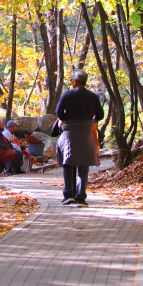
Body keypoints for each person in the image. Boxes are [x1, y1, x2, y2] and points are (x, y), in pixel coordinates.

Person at [54, 68, 103, 206]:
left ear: (74, 81)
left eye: (71, 80)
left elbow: (59, 112)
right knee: (83, 165)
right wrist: (91, 120)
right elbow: (100, 115)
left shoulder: (67, 94)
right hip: (86, 132)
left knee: (68, 163)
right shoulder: (92, 96)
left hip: (70, 131)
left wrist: (65, 118)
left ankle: (69, 195)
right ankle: (81, 197)